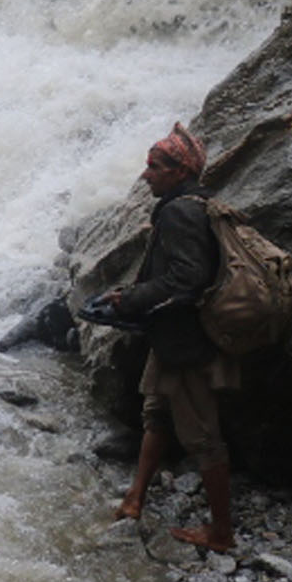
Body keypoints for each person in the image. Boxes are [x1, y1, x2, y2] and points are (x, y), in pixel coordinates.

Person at [108, 122, 237, 552]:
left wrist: (131, 299)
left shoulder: (181, 211)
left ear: (179, 172)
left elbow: (187, 277)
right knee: (157, 414)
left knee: (203, 436)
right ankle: (134, 499)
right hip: (172, 337)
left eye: (155, 166)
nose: (146, 175)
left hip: (186, 343)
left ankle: (221, 534)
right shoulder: (190, 205)